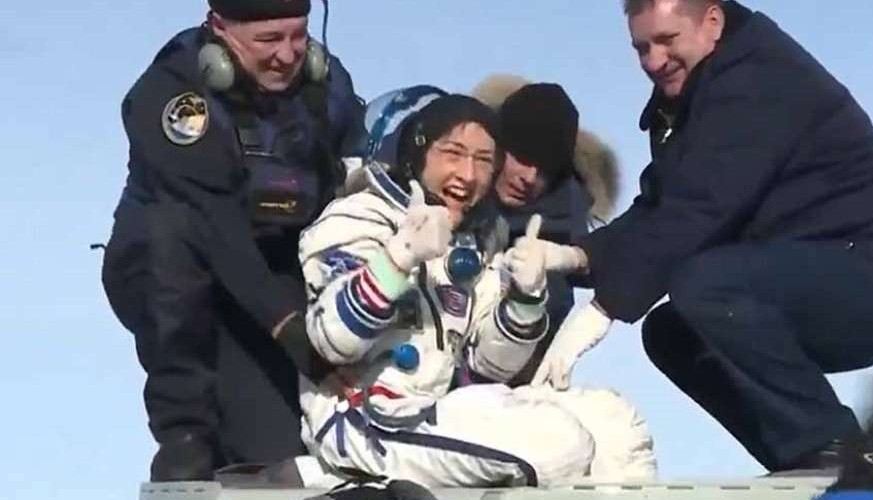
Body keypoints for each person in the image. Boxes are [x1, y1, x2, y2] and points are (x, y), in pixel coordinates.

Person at [525, 0, 873, 473]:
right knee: (672, 333)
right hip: (811, 266)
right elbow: (661, 209)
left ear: (712, 21)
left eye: (666, 41)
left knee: (706, 285)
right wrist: (575, 256)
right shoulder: (696, 96)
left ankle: (829, 440)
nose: (653, 61)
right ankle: (803, 458)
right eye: (641, 47)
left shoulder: (758, 80)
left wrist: (604, 309)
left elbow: (700, 209)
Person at [295, 88, 656, 488]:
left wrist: (525, 297)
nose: (467, 175)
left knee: (615, 426)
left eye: (483, 160)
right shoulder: (361, 215)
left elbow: (491, 366)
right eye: (453, 153)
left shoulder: (478, 238)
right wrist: (398, 259)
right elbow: (332, 340)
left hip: (440, 405)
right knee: (559, 444)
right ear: (418, 152)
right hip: (366, 417)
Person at [100, 0, 364, 481]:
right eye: (268, 40)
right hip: (180, 272)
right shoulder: (172, 92)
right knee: (169, 231)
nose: (288, 55)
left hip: (276, 269)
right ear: (220, 28)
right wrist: (290, 332)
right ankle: (184, 442)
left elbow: (359, 183)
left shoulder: (328, 88)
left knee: (271, 453)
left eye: (298, 36)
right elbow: (212, 223)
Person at [469, 75, 620, 386]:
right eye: (522, 157)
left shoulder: (558, 242)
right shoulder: (443, 182)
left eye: (546, 169)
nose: (529, 177)